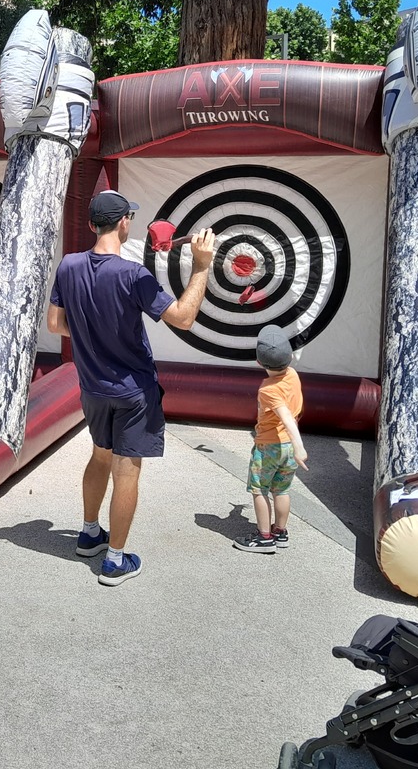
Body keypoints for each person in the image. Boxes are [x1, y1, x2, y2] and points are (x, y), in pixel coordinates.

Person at [47, 190, 214, 587]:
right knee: (126, 472)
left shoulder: (68, 265)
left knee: (99, 456)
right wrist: (201, 267)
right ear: (124, 223)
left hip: (92, 388)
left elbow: (55, 324)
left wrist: (90, 337)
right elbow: (183, 318)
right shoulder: (134, 275)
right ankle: (115, 560)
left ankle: (90, 534)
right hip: (132, 392)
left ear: (92, 224)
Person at [234, 325, 307, 554]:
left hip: (269, 448)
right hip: (288, 450)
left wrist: (300, 446)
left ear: (259, 362)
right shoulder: (293, 375)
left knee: (260, 490)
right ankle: (280, 532)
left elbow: (286, 417)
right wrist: (295, 447)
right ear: (289, 357)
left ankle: (264, 537)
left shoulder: (268, 390)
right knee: (281, 490)